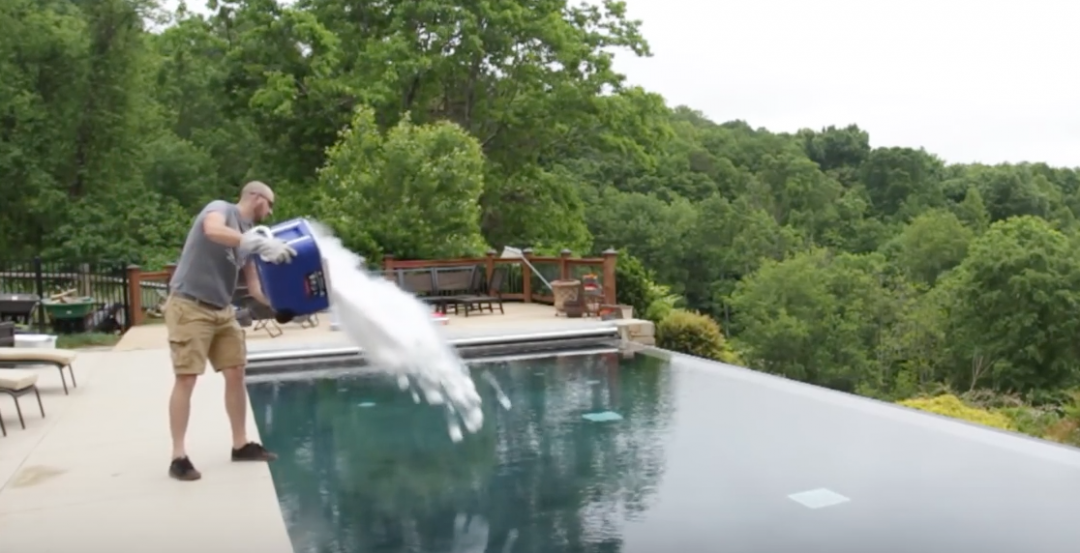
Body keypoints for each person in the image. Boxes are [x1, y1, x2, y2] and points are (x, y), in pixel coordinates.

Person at [165, 181, 297, 481]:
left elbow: (254, 287)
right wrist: (251, 241)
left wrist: (280, 307)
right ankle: (178, 457)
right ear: (256, 197)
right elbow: (212, 230)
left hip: (222, 310)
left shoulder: (250, 236)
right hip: (189, 304)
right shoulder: (220, 209)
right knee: (186, 377)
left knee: (236, 371)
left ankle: (241, 445)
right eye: (269, 204)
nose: (270, 211)